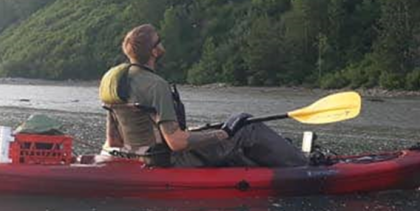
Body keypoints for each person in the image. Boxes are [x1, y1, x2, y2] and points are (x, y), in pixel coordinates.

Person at [99, 24, 307, 167]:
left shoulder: (113, 79)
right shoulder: (156, 86)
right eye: (159, 41)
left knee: (214, 129)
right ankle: (303, 164)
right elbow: (176, 143)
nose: (162, 43)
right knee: (248, 128)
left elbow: (113, 140)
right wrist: (224, 133)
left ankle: (267, 158)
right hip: (170, 161)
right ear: (154, 51)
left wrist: (206, 132)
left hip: (137, 157)